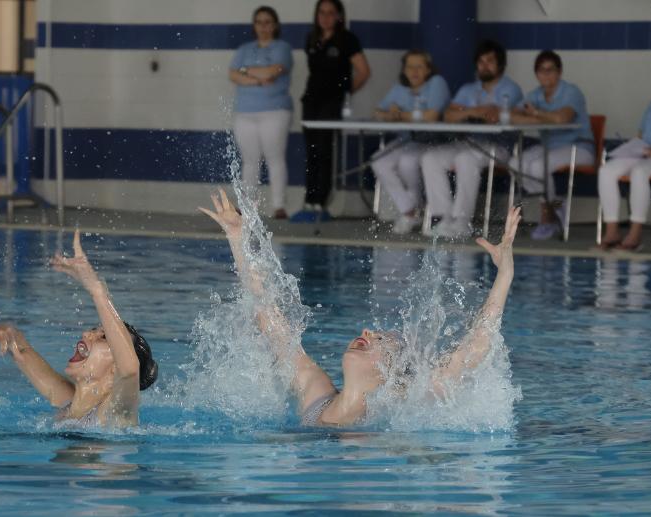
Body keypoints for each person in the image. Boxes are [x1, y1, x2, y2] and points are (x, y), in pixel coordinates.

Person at [201, 188, 521, 427]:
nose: (366, 331)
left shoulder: (399, 406)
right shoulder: (316, 393)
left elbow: (473, 350)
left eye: (380, 340)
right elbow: (270, 319)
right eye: (374, 333)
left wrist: (504, 274)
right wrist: (238, 239)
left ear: (391, 371)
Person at [0, 230, 158, 428]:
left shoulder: (116, 413)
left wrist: (97, 291)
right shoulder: (67, 401)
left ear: (115, 368)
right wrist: (7, 332)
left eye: (103, 337)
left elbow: (130, 371)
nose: (86, 334)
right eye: (94, 330)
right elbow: (22, 351)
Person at [420, 39, 523, 238]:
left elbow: (494, 116)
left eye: (490, 61)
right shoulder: (469, 89)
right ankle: (443, 218)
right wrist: (475, 110)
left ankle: (461, 221)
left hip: (500, 147)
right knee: (430, 158)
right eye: (481, 61)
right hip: (469, 143)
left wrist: (466, 111)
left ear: (501, 65)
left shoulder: (510, 89)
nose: (485, 66)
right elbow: (449, 115)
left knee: (466, 158)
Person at [292, 0, 370, 222]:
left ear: (338, 16)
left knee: (325, 150)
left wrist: (344, 92)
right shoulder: (312, 39)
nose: (325, 17)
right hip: (311, 100)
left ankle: (320, 201)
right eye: (322, 13)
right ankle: (309, 200)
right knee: (312, 150)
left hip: (332, 102)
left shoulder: (347, 40)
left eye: (330, 13)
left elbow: (364, 71)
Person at [509, 50, 595, 240]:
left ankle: (547, 218)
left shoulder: (571, 91)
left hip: (579, 147)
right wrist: (535, 117)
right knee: (516, 164)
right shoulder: (535, 94)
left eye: (551, 70)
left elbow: (562, 118)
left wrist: (536, 114)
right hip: (549, 147)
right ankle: (555, 205)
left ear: (560, 72)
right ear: (536, 74)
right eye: (541, 70)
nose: (546, 74)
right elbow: (513, 115)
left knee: (538, 166)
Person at [371, 49, 451, 234]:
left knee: (407, 162)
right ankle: (409, 210)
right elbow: (377, 111)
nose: (414, 71)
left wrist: (399, 114)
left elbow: (431, 116)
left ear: (428, 70)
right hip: (406, 141)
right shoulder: (399, 90)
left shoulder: (437, 83)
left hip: (433, 143)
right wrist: (389, 113)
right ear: (404, 70)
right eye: (410, 67)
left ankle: (415, 210)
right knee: (379, 160)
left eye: (419, 67)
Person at [229, 6, 293, 219]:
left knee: (275, 157)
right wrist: (258, 78)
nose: (263, 26)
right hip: (245, 112)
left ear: (275, 25)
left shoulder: (282, 48)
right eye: (259, 22)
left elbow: (274, 71)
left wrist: (246, 71)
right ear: (254, 25)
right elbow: (233, 74)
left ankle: (279, 206)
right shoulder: (244, 49)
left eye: (268, 22)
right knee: (249, 160)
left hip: (275, 111)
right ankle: (247, 207)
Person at [597, 98, 651, 251]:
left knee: (639, 172)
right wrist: (633, 147)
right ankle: (612, 232)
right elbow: (641, 134)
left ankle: (635, 234)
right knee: (606, 171)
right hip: (645, 152)